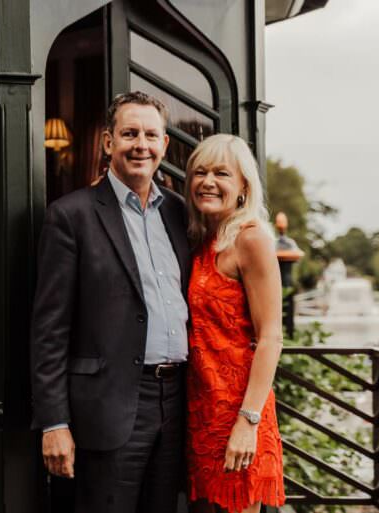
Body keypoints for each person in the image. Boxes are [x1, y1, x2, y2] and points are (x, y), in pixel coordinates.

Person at [30, 91, 191, 513]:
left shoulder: (178, 212)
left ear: (165, 145)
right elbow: (49, 329)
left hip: (177, 403)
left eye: (151, 135)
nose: (142, 145)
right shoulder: (71, 215)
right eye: (130, 133)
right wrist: (54, 422)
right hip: (107, 406)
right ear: (107, 142)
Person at [184, 134, 285, 513]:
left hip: (238, 414)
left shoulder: (251, 239)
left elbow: (271, 337)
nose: (208, 182)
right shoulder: (202, 240)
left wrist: (248, 422)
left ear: (243, 185)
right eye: (200, 172)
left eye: (221, 173)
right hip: (200, 413)